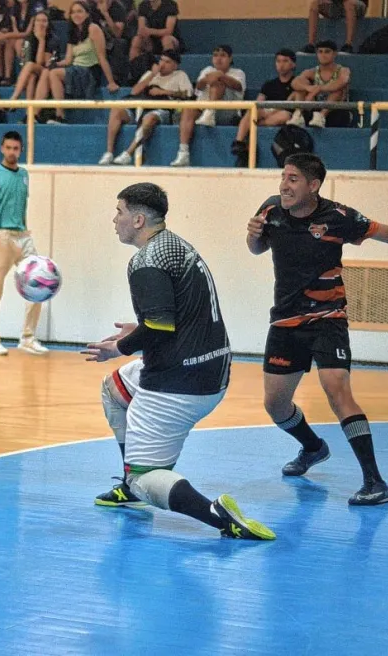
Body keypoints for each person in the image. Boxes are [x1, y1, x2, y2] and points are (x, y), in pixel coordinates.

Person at [246, 153, 388, 505]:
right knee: (275, 405)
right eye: (283, 177)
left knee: (336, 389)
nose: (284, 185)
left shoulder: (339, 217)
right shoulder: (271, 210)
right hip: (285, 321)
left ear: (313, 185)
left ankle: (374, 482)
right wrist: (253, 236)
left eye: (292, 179)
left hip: (327, 318)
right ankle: (313, 448)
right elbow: (257, 248)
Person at [83, 182, 274, 541]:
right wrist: (138, 329)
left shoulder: (145, 262)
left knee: (145, 480)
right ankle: (128, 481)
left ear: (138, 219)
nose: (115, 219)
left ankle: (218, 516)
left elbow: (159, 325)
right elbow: (170, 316)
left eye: (119, 211)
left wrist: (119, 347)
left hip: (180, 383)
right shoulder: (175, 246)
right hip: (208, 368)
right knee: (114, 390)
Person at [0, 131, 48, 356]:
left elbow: (22, 207)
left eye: (16, 148)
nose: (12, 152)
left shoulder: (24, 174)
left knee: (37, 284)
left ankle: (28, 337)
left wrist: (25, 228)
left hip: (23, 235)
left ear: (21, 150)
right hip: (1, 235)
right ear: (2, 148)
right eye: (8, 148)